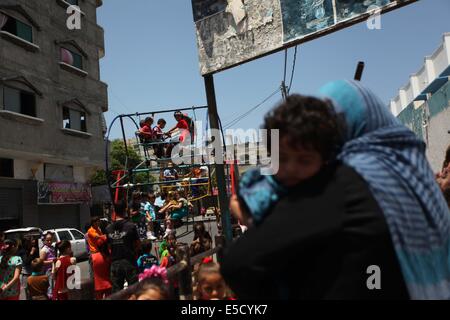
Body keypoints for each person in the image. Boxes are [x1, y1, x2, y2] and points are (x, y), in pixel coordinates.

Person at [222, 92, 410, 299]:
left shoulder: (327, 190)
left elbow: (238, 263)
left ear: (326, 159)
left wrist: (250, 220)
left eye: (304, 161)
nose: (291, 168)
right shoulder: (264, 186)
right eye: (282, 158)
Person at [106, 200, 141, 293]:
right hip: (129, 260)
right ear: (125, 210)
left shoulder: (108, 228)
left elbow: (109, 247)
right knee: (134, 290)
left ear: (114, 211)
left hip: (115, 263)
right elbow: (138, 244)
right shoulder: (131, 226)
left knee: (117, 292)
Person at [39, 231, 56, 300]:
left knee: (54, 286)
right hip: (48, 271)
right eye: (47, 240)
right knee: (50, 287)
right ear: (44, 240)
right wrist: (52, 261)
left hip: (54, 269)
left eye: (51, 240)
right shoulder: (44, 250)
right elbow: (41, 262)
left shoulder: (52, 247)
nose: (49, 241)